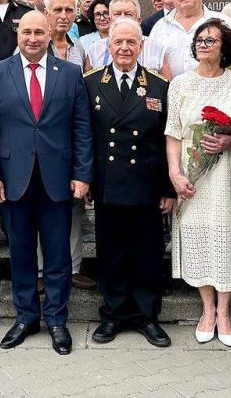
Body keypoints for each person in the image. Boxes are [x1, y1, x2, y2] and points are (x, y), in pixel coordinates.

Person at [0, 11, 93, 355]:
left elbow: (82, 128)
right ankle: (26, 317)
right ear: (18, 34)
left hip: (58, 182)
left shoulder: (71, 74)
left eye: (38, 32)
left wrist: (82, 174)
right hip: (14, 182)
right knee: (22, 254)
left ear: (49, 35)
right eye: (26, 31)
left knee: (57, 257)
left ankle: (57, 320)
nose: (32, 38)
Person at [165, 18, 231, 347]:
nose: (204, 45)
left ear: (226, 48)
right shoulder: (179, 84)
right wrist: (175, 174)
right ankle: (207, 309)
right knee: (198, 238)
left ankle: (224, 311)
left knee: (227, 237)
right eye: (200, 40)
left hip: (228, 177)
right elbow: (173, 134)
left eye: (212, 40)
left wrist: (230, 139)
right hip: (193, 178)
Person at [85, 18, 173, 348]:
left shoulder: (159, 85)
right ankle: (114, 314)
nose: (124, 48)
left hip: (146, 185)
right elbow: (86, 137)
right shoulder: (92, 83)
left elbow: (167, 139)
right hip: (108, 184)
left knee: (146, 253)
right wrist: (88, 179)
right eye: (118, 42)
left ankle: (146, 316)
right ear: (109, 46)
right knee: (111, 252)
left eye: (131, 43)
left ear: (141, 46)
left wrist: (167, 187)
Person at [42, 0, 94, 291]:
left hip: (71, 139)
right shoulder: (31, 44)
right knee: (39, 208)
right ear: (47, 12)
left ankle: (72, 267)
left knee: (74, 208)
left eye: (69, 10)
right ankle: (40, 271)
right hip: (41, 139)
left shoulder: (79, 51)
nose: (63, 16)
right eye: (57, 10)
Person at [151, 0, 231, 77]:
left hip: (215, 89)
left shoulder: (223, 22)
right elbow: (151, 65)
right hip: (170, 91)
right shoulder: (160, 27)